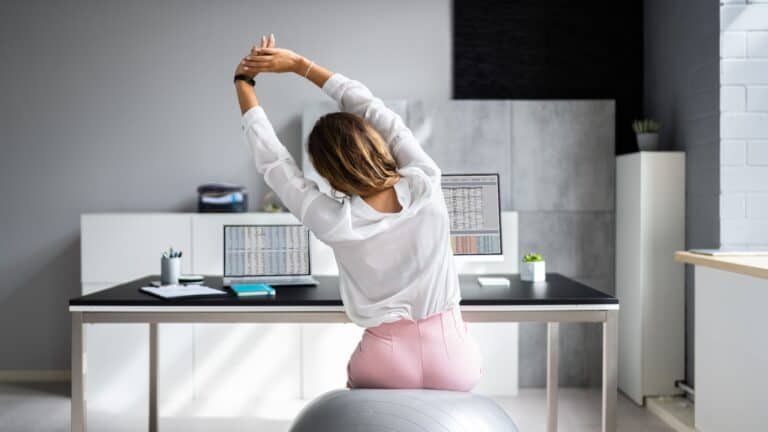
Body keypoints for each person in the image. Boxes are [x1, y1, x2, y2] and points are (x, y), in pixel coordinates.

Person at [233, 34, 481, 391]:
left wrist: (244, 83)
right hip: (452, 354)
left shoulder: (334, 221)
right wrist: (301, 66)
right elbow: (373, 109)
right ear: (375, 141)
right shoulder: (426, 183)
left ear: (327, 172)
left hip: (385, 359)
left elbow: (274, 162)